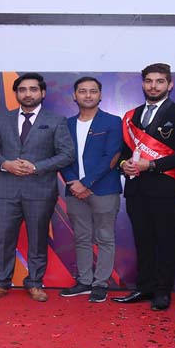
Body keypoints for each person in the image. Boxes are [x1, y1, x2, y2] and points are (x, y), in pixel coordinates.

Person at [0, 73, 75, 302]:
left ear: (42, 93)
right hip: (7, 190)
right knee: (3, 239)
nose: (28, 94)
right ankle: (0, 283)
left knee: (38, 239)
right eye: (22, 89)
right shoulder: (3, 119)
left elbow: (67, 154)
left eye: (33, 89)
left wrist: (36, 167)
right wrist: (6, 164)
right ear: (16, 93)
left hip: (40, 190)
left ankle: (34, 283)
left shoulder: (56, 120)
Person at [113, 63, 175, 311]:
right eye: (149, 81)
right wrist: (124, 165)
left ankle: (162, 291)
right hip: (136, 189)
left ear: (170, 85)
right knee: (143, 241)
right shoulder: (132, 115)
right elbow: (124, 153)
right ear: (143, 84)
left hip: (165, 189)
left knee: (165, 241)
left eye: (159, 81)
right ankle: (144, 287)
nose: (153, 86)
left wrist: (151, 165)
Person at [58, 77, 123, 303]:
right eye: (82, 91)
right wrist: (73, 182)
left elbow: (112, 157)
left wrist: (86, 183)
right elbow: (62, 156)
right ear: (74, 96)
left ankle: (100, 284)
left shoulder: (113, 122)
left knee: (105, 237)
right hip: (74, 190)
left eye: (93, 91)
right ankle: (84, 281)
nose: (88, 95)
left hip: (104, 189)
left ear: (100, 95)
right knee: (81, 238)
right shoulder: (66, 125)